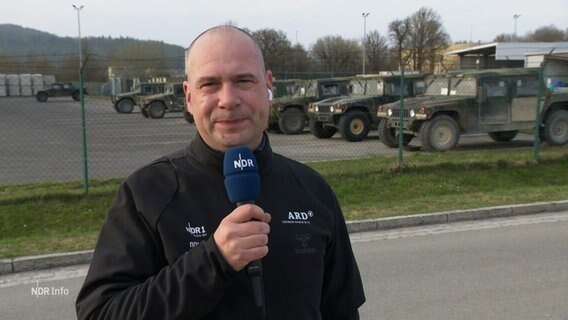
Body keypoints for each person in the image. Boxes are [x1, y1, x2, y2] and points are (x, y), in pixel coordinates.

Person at [76, 25, 365, 319]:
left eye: (243, 80)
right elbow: (101, 312)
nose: (228, 99)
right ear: (189, 97)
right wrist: (214, 261)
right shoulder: (146, 193)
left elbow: (341, 311)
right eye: (210, 85)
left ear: (268, 86)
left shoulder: (312, 190)